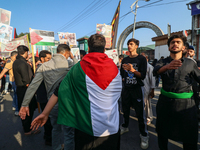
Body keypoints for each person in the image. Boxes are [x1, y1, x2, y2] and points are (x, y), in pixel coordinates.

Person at [31, 33, 122, 150]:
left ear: (88, 48)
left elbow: (59, 91)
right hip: (111, 129)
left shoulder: (78, 69)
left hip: (85, 128)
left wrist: (44, 113)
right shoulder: (116, 69)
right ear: (104, 49)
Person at [19, 44, 77, 150]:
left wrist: (24, 104)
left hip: (51, 105)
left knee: (55, 128)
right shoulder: (70, 64)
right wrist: (73, 57)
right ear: (66, 53)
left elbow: (33, 86)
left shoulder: (43, 66)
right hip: (68, 104)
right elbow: (80, 66)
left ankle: (57, 147)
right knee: (69, 133)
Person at [153, 34, 200, 150]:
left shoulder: (190, 63)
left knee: (189, 137)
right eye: (172, 42)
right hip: (165, 104)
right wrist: (167, 67)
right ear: (169, 47)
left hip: (186, 105)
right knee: (162, 133)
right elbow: (156, 71)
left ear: (183, 47)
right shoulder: (162, 62)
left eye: (178, 42)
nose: (175, 44)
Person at [120, 38, 148, 149]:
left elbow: (143, 76)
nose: (129, 46)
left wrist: (132, 70)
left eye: (131, 44)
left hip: (137, 89)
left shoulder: (141, 59)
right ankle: (125, 126)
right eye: (128, 44)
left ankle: (144, 135)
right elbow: (122, 75)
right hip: (126, 89)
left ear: (136, 46)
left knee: (140, 113)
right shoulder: (125, 59)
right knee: (125, 110)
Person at [13, 45, 38, 135]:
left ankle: (27, 128)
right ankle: (27, 129)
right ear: (26, 52)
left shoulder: (16, 61)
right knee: (28, 110)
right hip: (26, 89)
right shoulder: (22, 63)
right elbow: (26, 80)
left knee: (24, 109)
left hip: (20, 89)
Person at [36, 50, 52, 146]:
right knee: (47, 119)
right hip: (44, 97)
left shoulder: (44, 67)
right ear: (42, 59)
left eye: (51, 58)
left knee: (47, 118)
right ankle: (49, 138)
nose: (50, 60)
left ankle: (47, 135)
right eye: (48, 59)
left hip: (46, 97)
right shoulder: (42, 69)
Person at [0, 51, 18, 115]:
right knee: (17, 94)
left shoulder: (13, 61)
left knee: (16, 94)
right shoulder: (10, 62)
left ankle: (14, 106)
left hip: (14, 79)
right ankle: (17, 110)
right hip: (13, 80)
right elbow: (3, 71)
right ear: (15, 56)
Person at [141, 53, 155, 125]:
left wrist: (152, 90)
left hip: (147, 88)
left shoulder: (149, 67)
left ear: (146, 58)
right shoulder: (140, 66)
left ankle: (149, 118)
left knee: (147, 104)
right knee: (141, 103)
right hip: (140, 87)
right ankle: (142, 116)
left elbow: (152, 79)